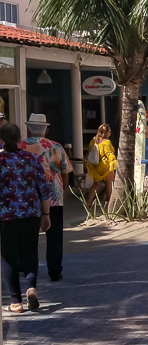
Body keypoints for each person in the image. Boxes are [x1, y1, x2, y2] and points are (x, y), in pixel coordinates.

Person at [0, 123, 52, 313]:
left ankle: (16, 301)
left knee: (8, 256)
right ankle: (31, 288)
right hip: (31, 214)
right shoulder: (31, 158)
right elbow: (44, 190)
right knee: (30, 252)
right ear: (20, 139)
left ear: (1, 140)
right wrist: (46, 215)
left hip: (6, 216)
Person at [20, 112, 73, 282]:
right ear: (46, 130)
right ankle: (54, 270)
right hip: (54, 196)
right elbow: (66, 172)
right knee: (54, 235)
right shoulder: (56, 147)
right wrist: (62, 189)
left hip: (28, 197)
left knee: (29, 235)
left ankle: (28, 269)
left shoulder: (20, 146)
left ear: (28, 130)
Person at [85, 124, 117, 207]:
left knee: (96, 185)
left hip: (95, 167)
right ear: (105, 132)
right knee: (109, 185)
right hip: (105, 167)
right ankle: (111, 204)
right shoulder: (106, 142)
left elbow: (90, 151)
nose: (110, 133)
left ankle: (89, 202)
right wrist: (114, 162)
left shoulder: (93, 141)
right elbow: (109, 154)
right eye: (109, 131)